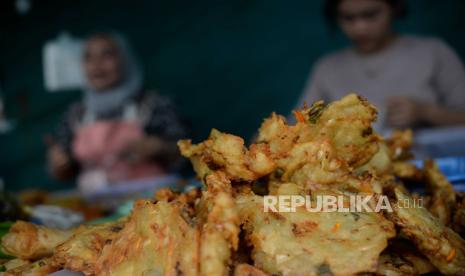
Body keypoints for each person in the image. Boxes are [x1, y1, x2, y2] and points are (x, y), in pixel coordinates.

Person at [46, 32, 188, 193]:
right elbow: (65, 169)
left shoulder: (153, 104)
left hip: (152, 204)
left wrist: (159, 146)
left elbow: (185, 152)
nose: (96, 64)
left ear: (125, 60)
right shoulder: (76, 114)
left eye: (106, 55)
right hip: (96, 209)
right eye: (88, 57)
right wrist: (59, 163)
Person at [297, 0, 465, 132]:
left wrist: (426, 112)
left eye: (370, 15)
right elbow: (300, 124)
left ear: (394, 8)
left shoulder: (432, 52)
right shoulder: (328, 67)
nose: (360, 27)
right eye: (348, 18)